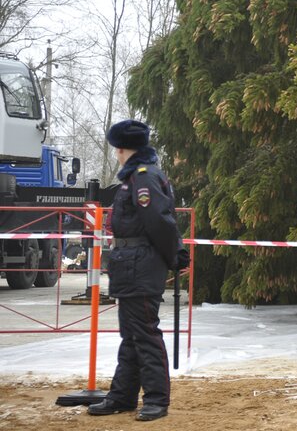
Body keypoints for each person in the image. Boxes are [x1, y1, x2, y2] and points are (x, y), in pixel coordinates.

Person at [88, 120, 186, 422]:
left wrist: (175, 255)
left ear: (121, 148)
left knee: (144, 334)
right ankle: (123, 395)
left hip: (141, 263)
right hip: (131, 263)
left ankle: (156, 400)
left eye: (116, 148)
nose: (116, 153)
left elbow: (159, 220)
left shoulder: (143, 177)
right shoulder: (135, 177)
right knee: (131, 334)